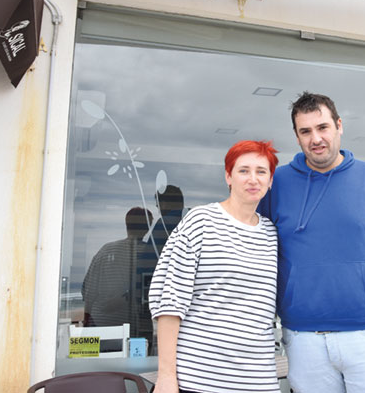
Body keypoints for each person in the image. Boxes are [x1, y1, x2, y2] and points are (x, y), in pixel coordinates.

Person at [258, 92, 365, 393]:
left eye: (323, 127)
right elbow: (256, 249)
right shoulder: (276, 184)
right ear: (296, 136)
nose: (315, 138)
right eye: (305, 131)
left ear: (339, 126)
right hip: (303, 338)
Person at [149, 140, 279, 393]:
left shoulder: (271, 234)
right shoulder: (200, 222)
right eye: (243, 171)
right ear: (228, 177)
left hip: (259, 381)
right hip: (199, 380)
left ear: (270, 180)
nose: (253, 179)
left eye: (261, 171)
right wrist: (166, 377)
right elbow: (169, 302)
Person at [81, 206, 154, 340]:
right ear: (147, 228)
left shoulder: (106, 250)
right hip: (138, 327)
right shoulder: (151, 254)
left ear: (126, 225)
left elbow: (89, 291)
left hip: (103, 323)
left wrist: (87, 318)